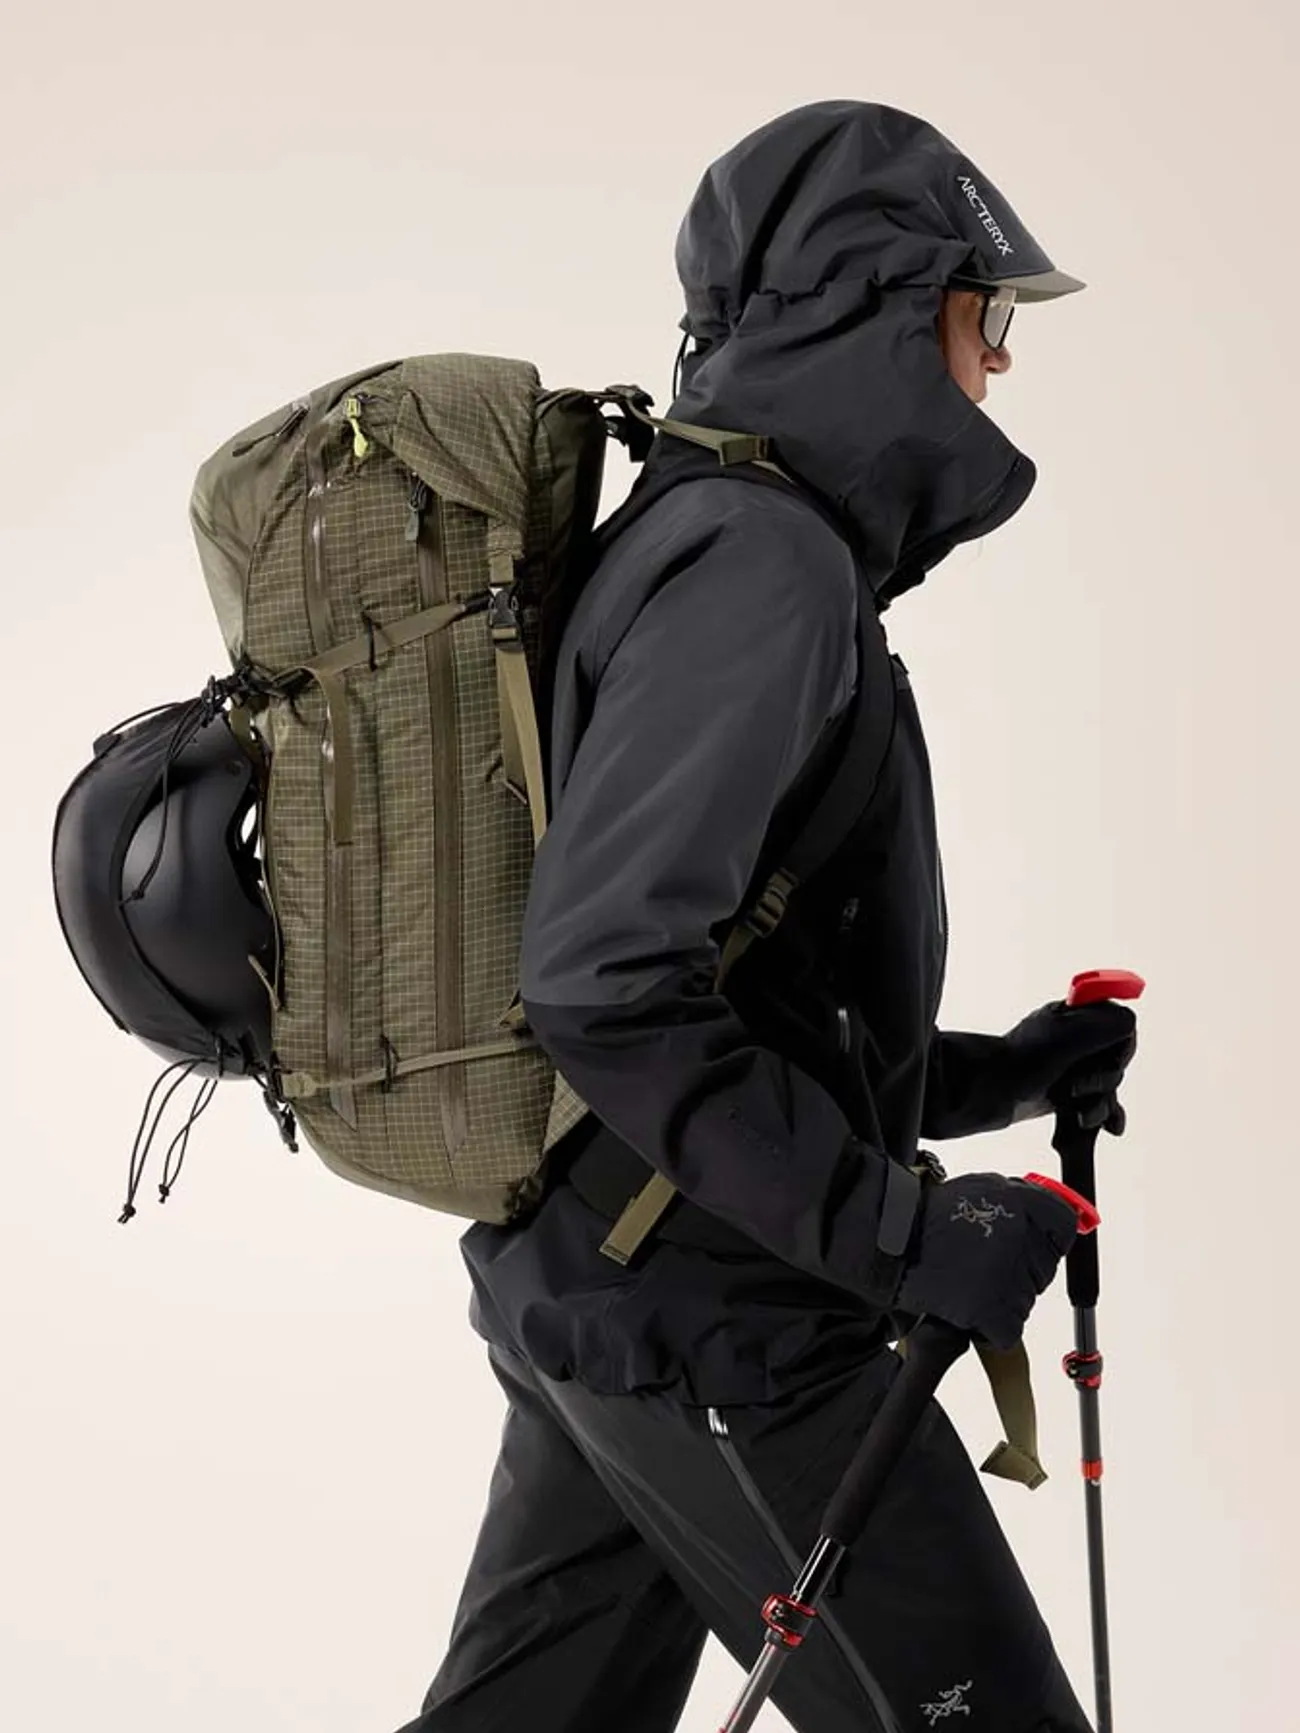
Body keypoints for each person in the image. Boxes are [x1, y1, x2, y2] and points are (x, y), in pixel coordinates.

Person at [397, 100, 1138, 1733]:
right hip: (726, 1323)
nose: (1001, 362)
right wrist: (904, 1233)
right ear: (884, 312)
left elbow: (746, 986)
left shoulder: (719, 534)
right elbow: (603, 980)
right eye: (987, 314)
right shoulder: (760, 564)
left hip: (618, 1272)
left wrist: (1006, 1072)